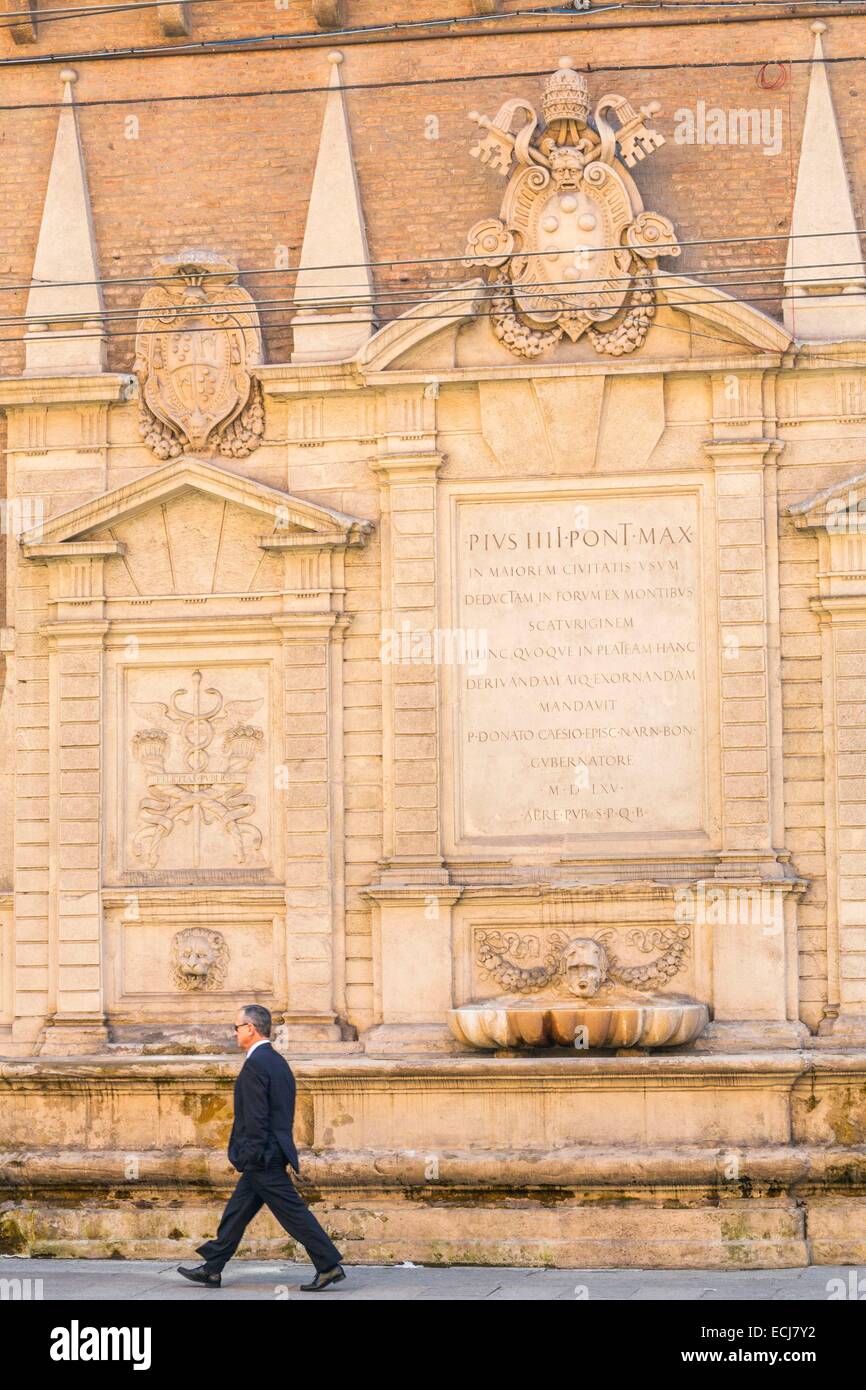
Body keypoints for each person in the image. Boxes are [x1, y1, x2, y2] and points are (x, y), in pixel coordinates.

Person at [177, 1004, 346, 1292]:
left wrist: (250, 1155)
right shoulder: (277, 1062)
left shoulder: (256, 1064)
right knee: (238, 1211)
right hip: (271, 1151)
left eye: (236, 1027)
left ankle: (329, 1265)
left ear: (250, 1028)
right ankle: (213, 1267)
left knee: (293, 1214)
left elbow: (256, 1117)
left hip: (262, 1156)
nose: (234, 1032)